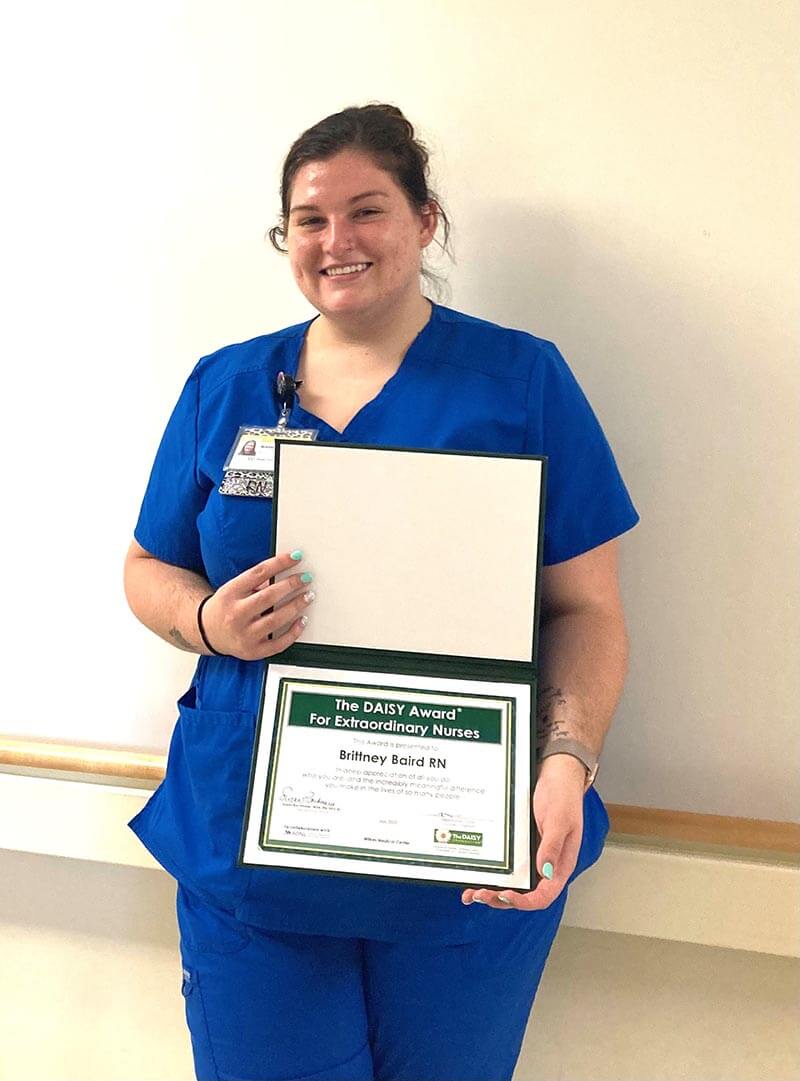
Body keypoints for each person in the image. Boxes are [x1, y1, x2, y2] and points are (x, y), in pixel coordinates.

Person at [124, 103, 638, 1081]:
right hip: (255, 840)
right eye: (309, 220)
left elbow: (586, 608)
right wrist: (205, 618)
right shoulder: (227, 384)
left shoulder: (520, 381)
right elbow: (147, 567)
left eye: (367, 210)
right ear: (287, 238)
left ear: (424, 220)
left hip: (458, 840)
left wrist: (566, 760)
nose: (337, 240)